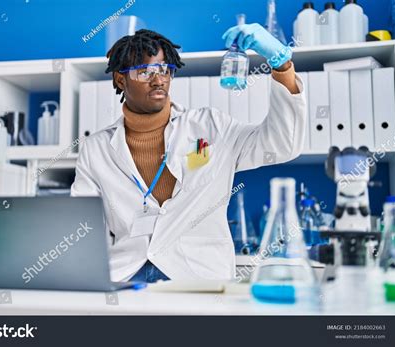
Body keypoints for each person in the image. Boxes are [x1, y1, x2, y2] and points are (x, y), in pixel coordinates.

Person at [72, 24, 306, 283]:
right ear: (119, 79)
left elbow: (283, 144)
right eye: (144, 71)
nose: (158, 79)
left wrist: (282, 65)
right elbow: (82, 228)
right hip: (125, 276)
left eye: (164, 69)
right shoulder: (96, 149)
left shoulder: (210, 127)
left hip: (198, 276)